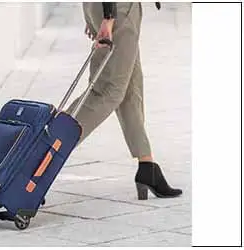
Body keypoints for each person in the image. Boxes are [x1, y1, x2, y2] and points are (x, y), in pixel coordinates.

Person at [66, 2, 182, 200]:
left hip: (106, 8)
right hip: (118, 10)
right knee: (108, 90)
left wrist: (92, 13)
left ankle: (147, 166)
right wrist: (108, 18)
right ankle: (51, 143)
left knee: (130, 87)